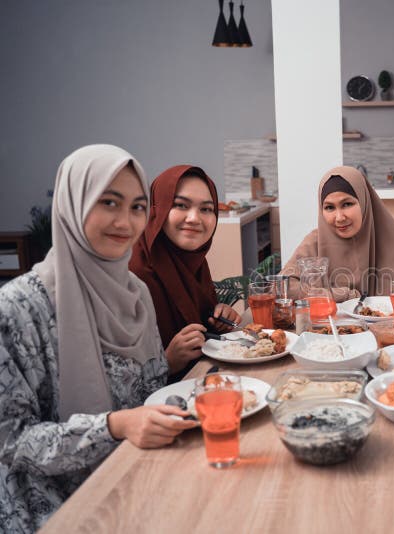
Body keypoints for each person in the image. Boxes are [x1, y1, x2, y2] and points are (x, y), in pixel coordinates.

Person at [0, 145, 198, 534]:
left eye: (138, 207)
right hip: (54, 507)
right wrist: (113, 427)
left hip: (138, 472)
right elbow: (12, 442)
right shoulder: (17, 309)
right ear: (73, 203)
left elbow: (153, 388)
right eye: (109, 202)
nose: (125, 222)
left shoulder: (135, 293)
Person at [129, 165, 240, 380]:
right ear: (157, 209)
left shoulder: (194, 262)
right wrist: (167, 361)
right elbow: (110, 385)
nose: (194, 218)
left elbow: (198, 324)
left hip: (202, 384)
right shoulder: (134, 274)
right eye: (180, 205)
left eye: (206, 209)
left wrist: (217, 318)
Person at [280, 166, 394, 301]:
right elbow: (280, 286)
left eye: (347, 204)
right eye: (329, 207)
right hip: (326, 323)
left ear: (364, 202)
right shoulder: (315, 242)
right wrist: (342, 295)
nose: (339, 217)